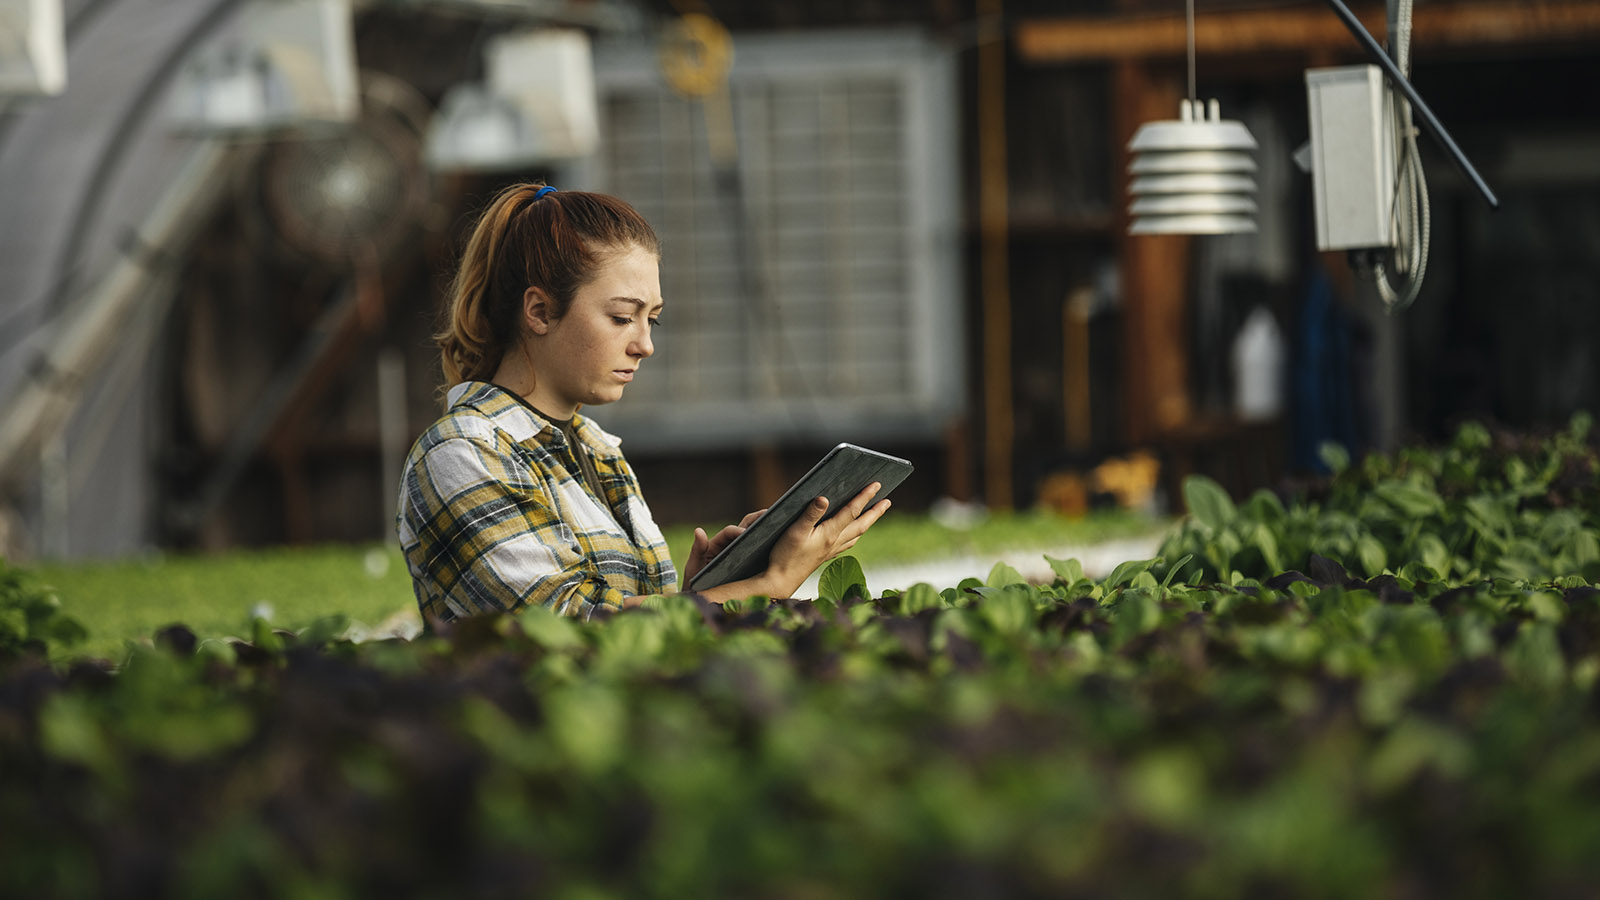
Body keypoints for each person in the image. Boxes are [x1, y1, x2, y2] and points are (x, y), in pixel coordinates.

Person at [396, 183, 891, 622]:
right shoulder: (461, 453)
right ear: (540, 311)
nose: (644, 345)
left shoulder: (596, 448)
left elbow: (636, 628)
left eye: (651, 320)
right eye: (620, 318)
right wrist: (767, 587)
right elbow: (571, 628)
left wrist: (704, 590)